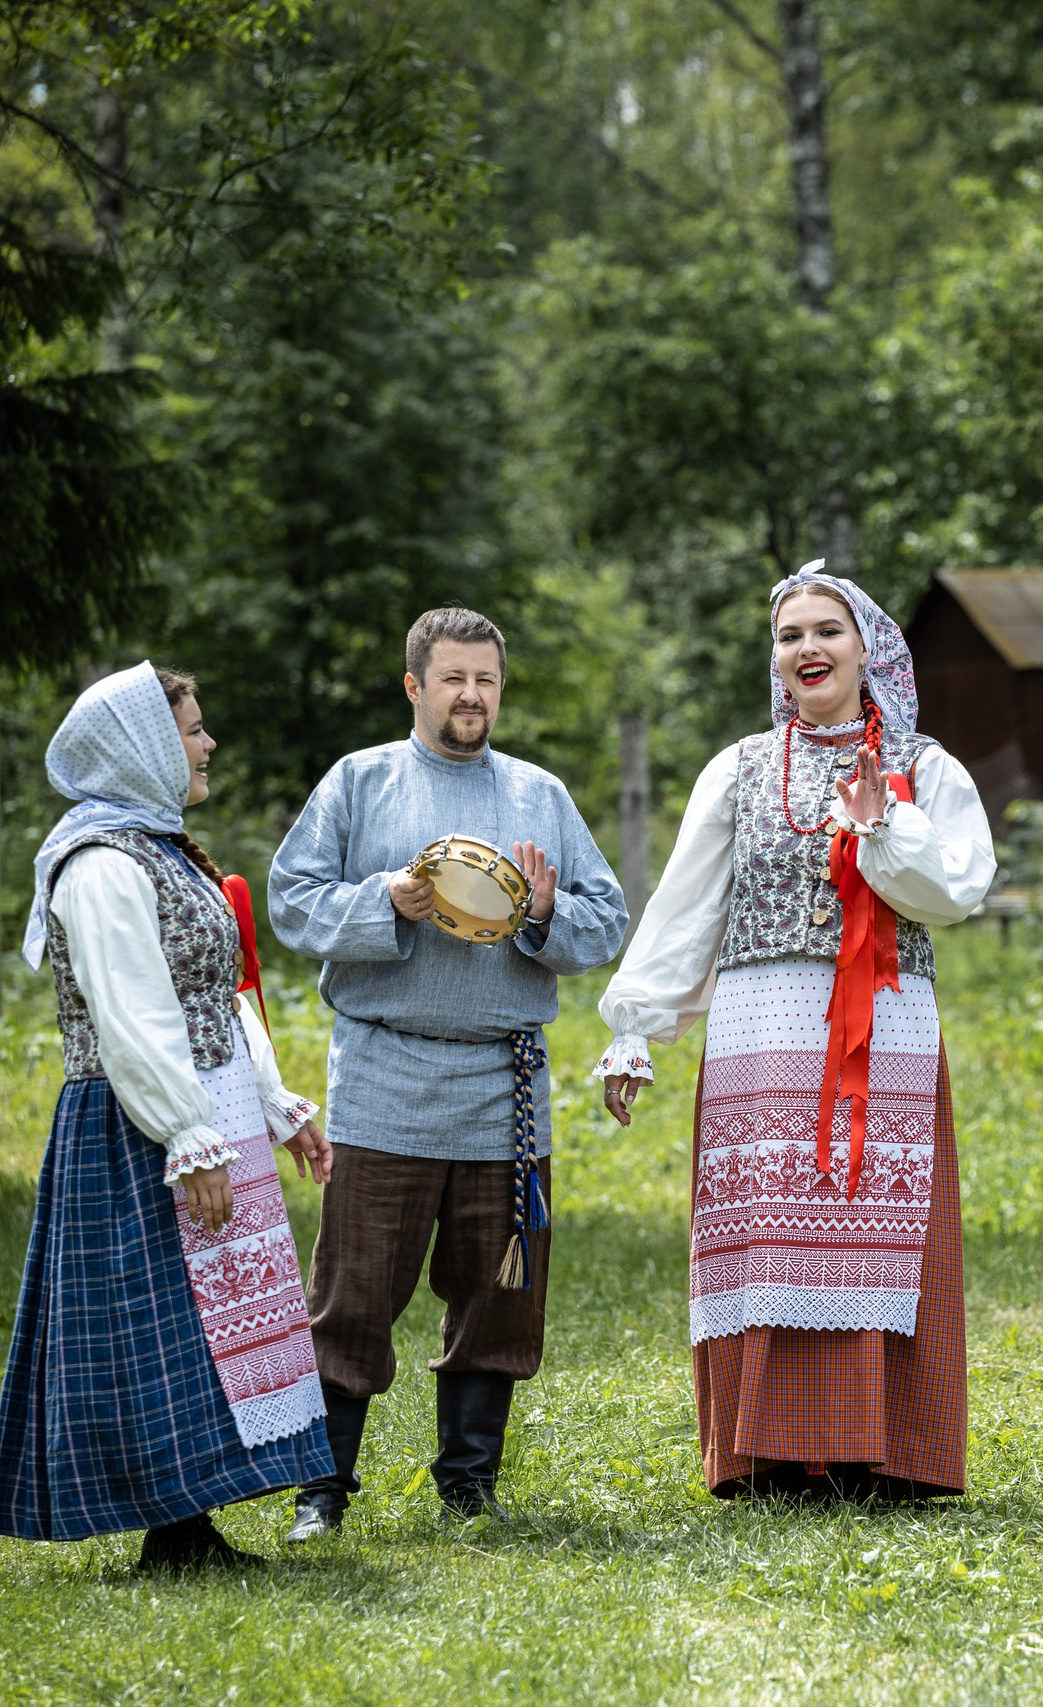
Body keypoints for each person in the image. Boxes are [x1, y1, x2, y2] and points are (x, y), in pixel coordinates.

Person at [595, 562, 994, 1501]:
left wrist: (884, 824)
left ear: (868, 650)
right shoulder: (738, 768)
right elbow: (686, 904)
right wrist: (637, 1027)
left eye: (827, 631)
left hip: (882, 1031)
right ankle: (768, 1453)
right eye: (790, 635)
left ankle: (887, 1453)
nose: (807, 648)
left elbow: (956, 890)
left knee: (874, 1222)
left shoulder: (925, 768)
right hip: (762, 1035)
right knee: (770, 1233)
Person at [268, 609, 627, 1538]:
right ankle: (323, 1491)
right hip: (384, 1078)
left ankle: (469, 1486)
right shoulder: (360, 782)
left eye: (488, 680)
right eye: (454, 678)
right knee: (352, 1296)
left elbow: (608, 916)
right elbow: (291, 902)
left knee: (498, 1292)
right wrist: (383, 899)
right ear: (414, 687)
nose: (472, 695)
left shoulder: (540, 794)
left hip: (505, 1090)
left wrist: (546, 915)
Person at [1, 664, 334, 1569]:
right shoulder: (102, 864)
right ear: (145, 747)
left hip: (203, 1105)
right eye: (190, 729)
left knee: (214, 1321)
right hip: (136, 1122)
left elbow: (217, 995)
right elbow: (132, 1015)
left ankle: (188, 1526)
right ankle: (173, 1531)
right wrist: (187, 1135)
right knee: (166, 1322)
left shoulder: (162, 845)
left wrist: (270, 1103)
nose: (208, 742)